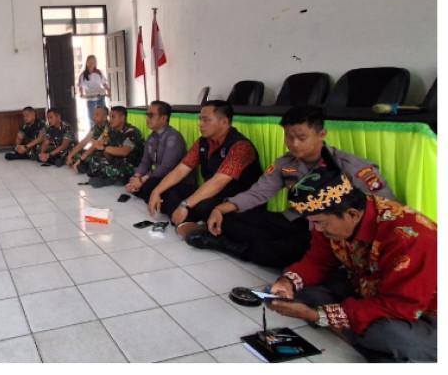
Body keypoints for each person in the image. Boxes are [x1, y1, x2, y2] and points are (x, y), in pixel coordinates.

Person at [190, 106, 396, 268]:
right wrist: (221, 209)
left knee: (285, 250)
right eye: (289, 137)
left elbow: (385, 207)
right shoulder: (285, 164)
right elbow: (259, 192)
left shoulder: (351, 166)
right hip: (294, 219)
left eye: (302, 137)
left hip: (327, 230)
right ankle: (248, 242)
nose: (294, 143)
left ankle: (231, 246)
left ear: (321, 134)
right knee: (229, 218)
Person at [266, 168, 436, 362]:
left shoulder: (409, 237)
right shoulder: (334, 218)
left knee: (389, 334)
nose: (318, 229)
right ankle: (361, 336)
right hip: (367, 288)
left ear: (352, 214)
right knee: (301, 292)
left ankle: (366, 338)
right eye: (313, 223)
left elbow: (400, 307)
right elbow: (318, 260)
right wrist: (287, 282)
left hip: (423, 313)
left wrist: (317, 316)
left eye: (321, 223)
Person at [147, 101, 262, 237]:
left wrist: (185, 205)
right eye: (200, 119)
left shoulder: (240, 146)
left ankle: (193, 223)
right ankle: (190, 223)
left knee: (204, 206)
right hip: (212, 192)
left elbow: (218, 182)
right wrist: (156, 191)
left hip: (236, 199)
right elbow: (181, 169)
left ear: (224, 122)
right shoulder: (203, 142)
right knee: (169, 191)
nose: (200, 124)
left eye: (206, 120)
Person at [124, 101, 188, 203]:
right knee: (129, 176)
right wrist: (136, 177)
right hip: (156, 174)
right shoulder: (151, 137)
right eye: (147, 115)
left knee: (149, 185)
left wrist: (142, 180)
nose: (147, 118)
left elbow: (166, 167)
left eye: (151, 115)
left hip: (174, 179)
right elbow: (145, 162)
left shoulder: (173, 137)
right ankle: (138, 187)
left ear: (163, 118)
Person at [84, 106, 145, 188]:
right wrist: (100, 147)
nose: (110, 120)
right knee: (95, 159)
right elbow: (101, 144)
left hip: (132, 164)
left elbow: (124, 151)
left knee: (116, 168)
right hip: (117, 160)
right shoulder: (111, 130)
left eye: (113, 117)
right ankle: (110, 176)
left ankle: (112, 178)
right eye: (110, 117)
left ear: (122, 118)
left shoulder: (131, 131)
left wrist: (104, 148)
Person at [68, 105, 110, 173]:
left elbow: (95, 146)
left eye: (97, 115)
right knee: (73, 152)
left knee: (94, 159)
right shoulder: (95, 127)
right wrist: (70, 156)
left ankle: (84, 165)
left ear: (105, 117)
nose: (93, 117)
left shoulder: (108, 128)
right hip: (95, 151)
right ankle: (83, 165)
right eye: (94, 114)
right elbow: (84, 141)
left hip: (105, 154)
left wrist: (80, 160)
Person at [76, 55, 110, 124]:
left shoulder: (98, 72)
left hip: (100, 96)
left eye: (93, 62)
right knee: (92, 117)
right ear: (86, 63)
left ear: (95, 63)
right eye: (89, 62)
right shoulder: (82, 75)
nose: (91, 64)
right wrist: (81, 94)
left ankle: (105, 129)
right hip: (90, 98)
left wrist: (109, 91)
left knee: (103, 115)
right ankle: (94, 130)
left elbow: (104, 83)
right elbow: (80, 86)